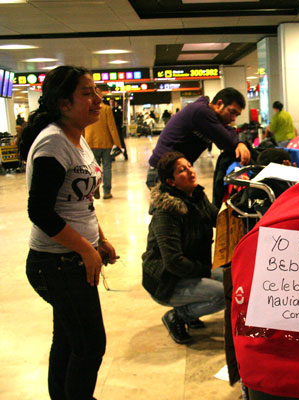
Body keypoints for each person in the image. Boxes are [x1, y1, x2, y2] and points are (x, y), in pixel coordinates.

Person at [17, 65, 118, 400]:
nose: (98, 99)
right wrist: (86, 249)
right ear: (63, 103)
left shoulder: (76, 137)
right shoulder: (53, 143)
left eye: (96, 91)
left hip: (71, 259)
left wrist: (99, 239)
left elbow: (81, 200)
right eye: (87, 93)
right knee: (90, 345)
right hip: (56, 263)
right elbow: (40, 212)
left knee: (68, 338)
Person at [142, 151, 225, 344]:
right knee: (222, 294)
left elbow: (219, 221)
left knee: (232, 278)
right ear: (170, 181)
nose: (190, 171)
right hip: (167, 281)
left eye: (189, 166)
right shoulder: (166, 213)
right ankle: (178, 316)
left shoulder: (196, 196)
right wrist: (206, 272)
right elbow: (173, 262)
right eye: (182, 170)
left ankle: (190, 310)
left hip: (190, 270)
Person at [146, 87, 251, 189]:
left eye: (237, 115)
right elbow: (227, 142)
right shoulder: (201, 112)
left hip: (176, 171)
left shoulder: (208, 113)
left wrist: (239, 142)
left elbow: (229, 133)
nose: (233, 118)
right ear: (219, 104)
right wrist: (239, 143)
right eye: (232, 112)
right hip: (164, 173)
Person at [84, 102, 122, 199]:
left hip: (90, 142)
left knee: (94, 169)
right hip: (106, 142)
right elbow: (112, 127)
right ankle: (107, 192)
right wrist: (117, 142)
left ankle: (95, 188)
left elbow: (82, 126)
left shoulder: (86, 108)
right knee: (107, 167)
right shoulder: (106, 109)